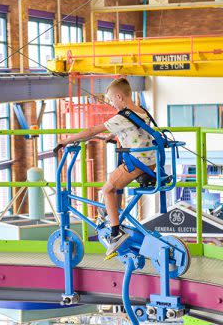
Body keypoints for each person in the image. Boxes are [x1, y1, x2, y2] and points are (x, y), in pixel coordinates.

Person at [54, 78, 156, 249]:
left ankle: (116, 233)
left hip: (139, 163)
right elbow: (137, 131)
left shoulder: (122, 116)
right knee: (114, 180)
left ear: (119, 96)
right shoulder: (141, 111)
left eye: (111, 100)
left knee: (107, 188)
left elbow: (91, 130)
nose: (111, 104)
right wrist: (111, 136)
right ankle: (114, 215)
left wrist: (67, 140)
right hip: (151, 161)